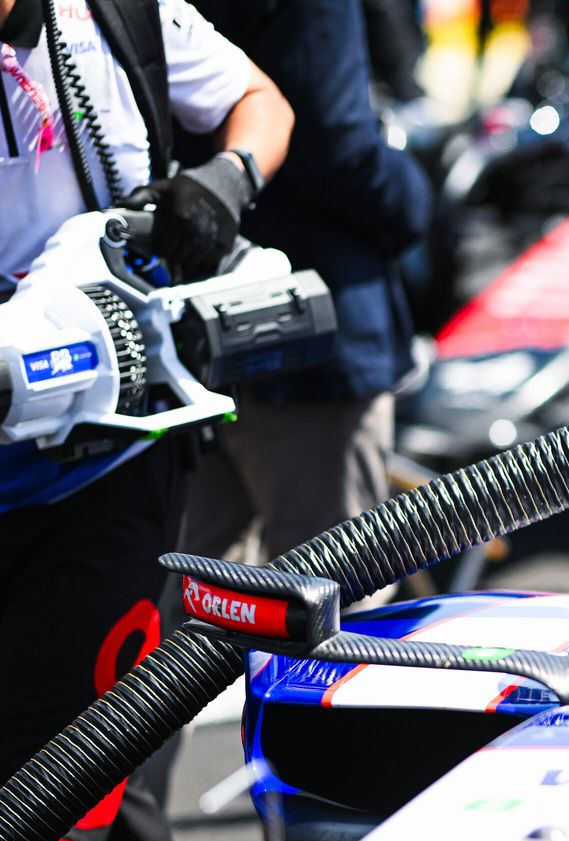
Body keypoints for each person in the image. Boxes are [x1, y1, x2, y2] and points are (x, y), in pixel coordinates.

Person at [0, 0, 291, 841]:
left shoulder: (116, 12)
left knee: (53, 762)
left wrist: (225, 181)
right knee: (93, 762)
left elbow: (261, 101)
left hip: (113, 459)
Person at [173, 0, 429, 566]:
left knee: (199, 597)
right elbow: (334, 145)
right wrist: (415, 198)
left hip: (183, 326)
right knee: (339, 597)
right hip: (311, 327)